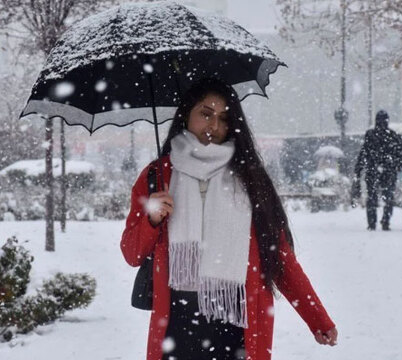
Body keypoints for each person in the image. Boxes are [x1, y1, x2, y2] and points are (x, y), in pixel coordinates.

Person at [120, 78, 337, 360]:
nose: (213, 126)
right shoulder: (157, 176)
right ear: (187, 113)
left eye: (223, 118)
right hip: (177, 322)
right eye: (205, 113)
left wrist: (317, 319)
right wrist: (151, 220)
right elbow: (131, 253)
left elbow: (280, 258)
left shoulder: (250, 178)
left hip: (238, 321)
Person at [351, 110, 402, 231]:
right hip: (388, 171)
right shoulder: (393, 136)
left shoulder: (370, 135)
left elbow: (363, 154)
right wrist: (395, 167)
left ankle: (372, 222)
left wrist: (359, 170)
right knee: (388, 197)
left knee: (372, 197)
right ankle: (385, 221)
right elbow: (401, 155)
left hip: (373, 171)